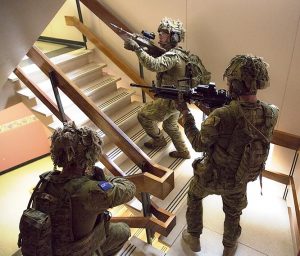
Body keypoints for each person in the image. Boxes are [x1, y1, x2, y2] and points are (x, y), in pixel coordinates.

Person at [177, 55, 279, 255]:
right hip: (240, 179)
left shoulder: (221, 115)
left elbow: (199, 144)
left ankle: (194, 237)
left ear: (235, 84)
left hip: (212, 176)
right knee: (233, 213)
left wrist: (186, 114)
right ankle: (229, 248)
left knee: (194, 195)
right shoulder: (271, 113)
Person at [30, 122, 136, 256]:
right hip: (77, 251)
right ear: (90, 155)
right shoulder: (90, 191)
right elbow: (129, 188)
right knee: (124, 230)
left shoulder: (45, 180)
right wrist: (99, 176)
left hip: (49, 247)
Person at [124, 17, 191, 159]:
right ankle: (183, 151)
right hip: (177, 99)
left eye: (165, 32)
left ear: (174, 37)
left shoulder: (173, 56)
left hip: (169, 99)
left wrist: (137, 48)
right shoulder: (179, 54)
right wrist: (144, 46)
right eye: (160, 32)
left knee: (143, 115)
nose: (160, 34)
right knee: (170, 126)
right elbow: (159, 59)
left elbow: (154, 65)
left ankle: (159, 140)